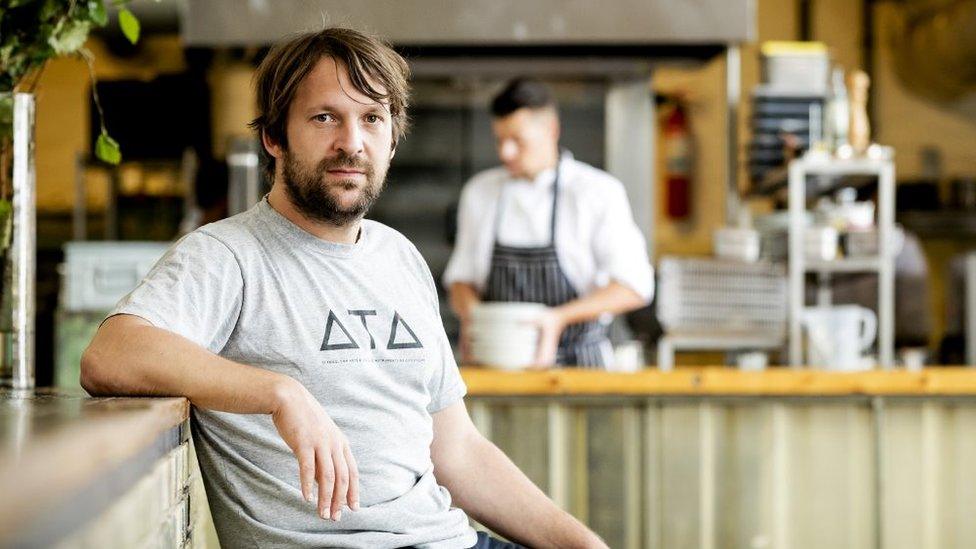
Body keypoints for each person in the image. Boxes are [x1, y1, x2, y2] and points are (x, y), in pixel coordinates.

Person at [81, 28, 606, 549]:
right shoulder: (227, 255)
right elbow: (110, 354)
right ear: (274, 137)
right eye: (325, 117)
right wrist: (279, 393)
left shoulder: (399, 256)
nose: (351, 143)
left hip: (448, 539)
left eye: (372, 119)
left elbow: (458, 452)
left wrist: (581, 544)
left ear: (393, 141)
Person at [444, 78, 654, 368]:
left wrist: (558, 319)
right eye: (500, 140)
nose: (506, 152)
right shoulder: (479, 192)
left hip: (581, 369)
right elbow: (460, 282)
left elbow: (634, 286)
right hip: (498, 368)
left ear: (551, 130)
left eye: (517, 140)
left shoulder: (597, 191)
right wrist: (477, 320)